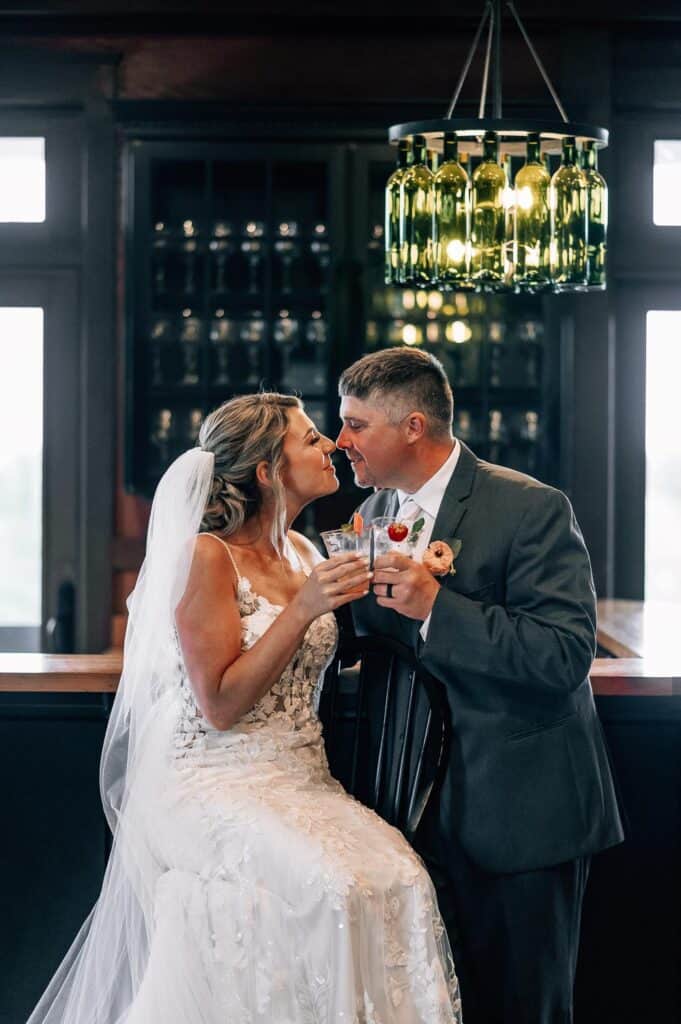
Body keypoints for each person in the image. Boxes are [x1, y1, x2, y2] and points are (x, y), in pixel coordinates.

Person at [28, 392, 461, 1024]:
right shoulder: (207, 556)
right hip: (213, 779)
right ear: (266, 470)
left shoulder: (308, 552)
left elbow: (322, 657)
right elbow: (220, 705)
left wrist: (412, 577)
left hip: (301, 780)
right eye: (310, 439)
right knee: (334, 886)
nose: (331, 445)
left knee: (402, 877)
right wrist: (305, 608)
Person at [337, 347, 624, 1024]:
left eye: (356, 424)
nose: (341, 440)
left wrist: (437, 606)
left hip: (519, 814)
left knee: (523, 1008)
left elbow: (562, 655)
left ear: (412, 426)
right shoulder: (371, 515)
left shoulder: (530, 507)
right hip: (408, 819)